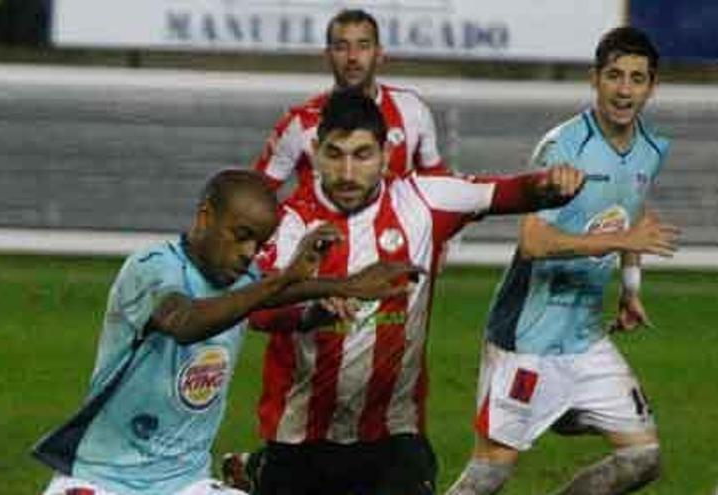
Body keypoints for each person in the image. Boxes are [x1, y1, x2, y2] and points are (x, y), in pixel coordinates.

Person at [237, 89, 584, 495]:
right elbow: (257, 311)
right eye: (335, 154)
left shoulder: (423, 201)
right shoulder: (290, 223)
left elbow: (505, 193)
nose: (348, 172)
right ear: (315, 152)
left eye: (363, 155)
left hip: (394, 433)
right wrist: (310, 311)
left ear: (385, 156)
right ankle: (259, 468)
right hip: (299, 435)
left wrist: (551, 184)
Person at [30, 169, 422, 495]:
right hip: (104, 479)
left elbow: (270, 298)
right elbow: (186, 322)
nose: (250, 252)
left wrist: (344, 287)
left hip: (185, 484)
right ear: (204, 217)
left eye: (260, 242)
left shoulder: (243, 279)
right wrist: (286, 280)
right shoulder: (152, 267)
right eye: (242, 235)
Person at [445, 27, 680, 495]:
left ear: (651, 86)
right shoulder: (564, 148)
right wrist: (621, 241)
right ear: (595, 79)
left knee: (642, 458)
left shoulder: (651, 150)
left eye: (637, 78)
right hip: (526, 339)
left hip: (583, 339)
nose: (624, 89)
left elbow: (630, 211)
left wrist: (630, 290)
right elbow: (534, 241)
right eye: (614, 76)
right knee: (489, 474)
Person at [252, 8, 448, 195]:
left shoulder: (413, 110)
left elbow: (439, 187)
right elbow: (253, 195)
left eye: (363, 46)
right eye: (341, 47)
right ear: (328, 56)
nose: (353, 57)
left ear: (379, 54)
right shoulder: (299, 123)